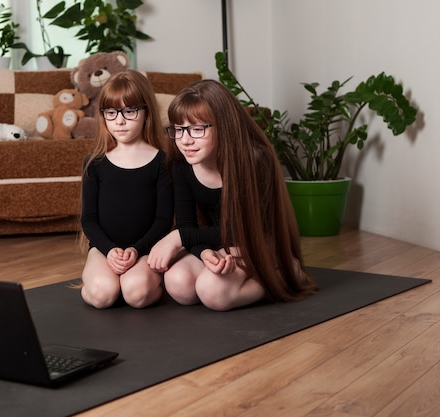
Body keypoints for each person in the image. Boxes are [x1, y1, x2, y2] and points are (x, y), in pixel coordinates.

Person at [148, 79, 318, 311]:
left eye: (197, 129)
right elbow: (189, 224)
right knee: (179, 285)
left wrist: (179, 238)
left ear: (223, 125)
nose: (184, 140)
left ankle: (286, 275)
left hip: (254, 241)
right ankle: (229, 275)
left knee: (213, 293)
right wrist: (205, 252)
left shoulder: (256, 160)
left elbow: (245, 230)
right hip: (216, 242)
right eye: (178, 129)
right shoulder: (181, 163)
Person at [79, 70, 174, 309]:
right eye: (111, 112)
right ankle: (95, 282)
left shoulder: (162, 161)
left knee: (136, 295)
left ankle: (145, 282)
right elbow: (89, 219)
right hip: (104, 249)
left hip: (145, 248)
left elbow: (163, 220)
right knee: (102, 296)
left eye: (129, 111)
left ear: (146, 113)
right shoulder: (95, 162)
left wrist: (137, 249)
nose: (119, 121)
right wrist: (109, 250)